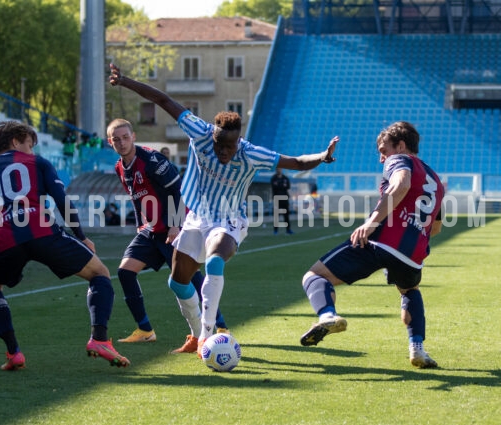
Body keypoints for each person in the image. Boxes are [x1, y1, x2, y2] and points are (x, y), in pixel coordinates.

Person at [109, 63, 338, 357]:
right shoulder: (201, 133)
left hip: (230, 221)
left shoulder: (250, 153)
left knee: (215, 261)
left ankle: (207, 334)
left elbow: (296, 162)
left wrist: (323, 156)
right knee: (177, 283)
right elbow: (163, 100)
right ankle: (195, 336)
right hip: (196, 217)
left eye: (228, 148)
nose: (223, 153)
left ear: (238, 141)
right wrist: (126, 81)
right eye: (219, 146)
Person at [0, 120, 130, 370]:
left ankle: (14, 353)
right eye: (29, 145)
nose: (32, 151)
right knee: (99, 273)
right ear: (16, 141)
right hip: (43, 234)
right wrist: (81, 236)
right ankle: (99, 339)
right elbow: (61, 201)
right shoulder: (38, 164)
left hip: (4, 242)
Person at [299, 121, 444, 369]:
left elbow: (402, 184)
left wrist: (371, 222)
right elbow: (437, 227)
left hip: (382, 241)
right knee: (409, 291)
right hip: (413, 253)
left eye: (383, 150)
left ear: (400, 145)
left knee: (314, 276)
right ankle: (417, 349)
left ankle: (327, 316)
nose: (381, 158)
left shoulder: (399, 160)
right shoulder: (436, 180)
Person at [106, 118, 228, 352]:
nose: (121, 142)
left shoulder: (151, 160)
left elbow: (178, 191)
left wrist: (175, 224)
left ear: (133, 137)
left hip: (175, 227)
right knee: (125, 272)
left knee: (190, 277)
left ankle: (220, 327)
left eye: (125, 137)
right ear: (110, 143)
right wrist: (140, 223)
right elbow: (136, 197)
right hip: (151, 231)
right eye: (116, 139)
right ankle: (145, 330)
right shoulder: (120, 167)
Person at [271, 168, 293, 235]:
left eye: (280, 169)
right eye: (277, 169)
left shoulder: (285, 178)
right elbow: (274, 187)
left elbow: (288, 187)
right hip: (276, 199)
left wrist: (279, 185)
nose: (279, 170)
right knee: (276, 216)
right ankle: (275, 231)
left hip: (285, 198)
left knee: (286, 215)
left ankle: (288, 230)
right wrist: (282, 186)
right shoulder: (273, 178)